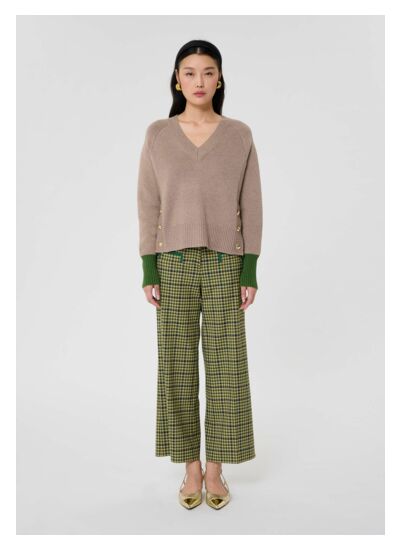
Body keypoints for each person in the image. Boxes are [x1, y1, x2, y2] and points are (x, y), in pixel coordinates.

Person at [137, 39, 263, 510]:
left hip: (226, 262)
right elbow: (148, 202)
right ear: (176, 80)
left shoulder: (239, 135)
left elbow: (252, 202)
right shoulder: (158, 134)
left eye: (208, 72)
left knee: (228, 368)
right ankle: (190, 468)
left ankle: (216, 471)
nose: (199, 81)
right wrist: (149, 265)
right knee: (176, 366)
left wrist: (250, 267)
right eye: (189, 72)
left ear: (220, 79)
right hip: (172, 262)